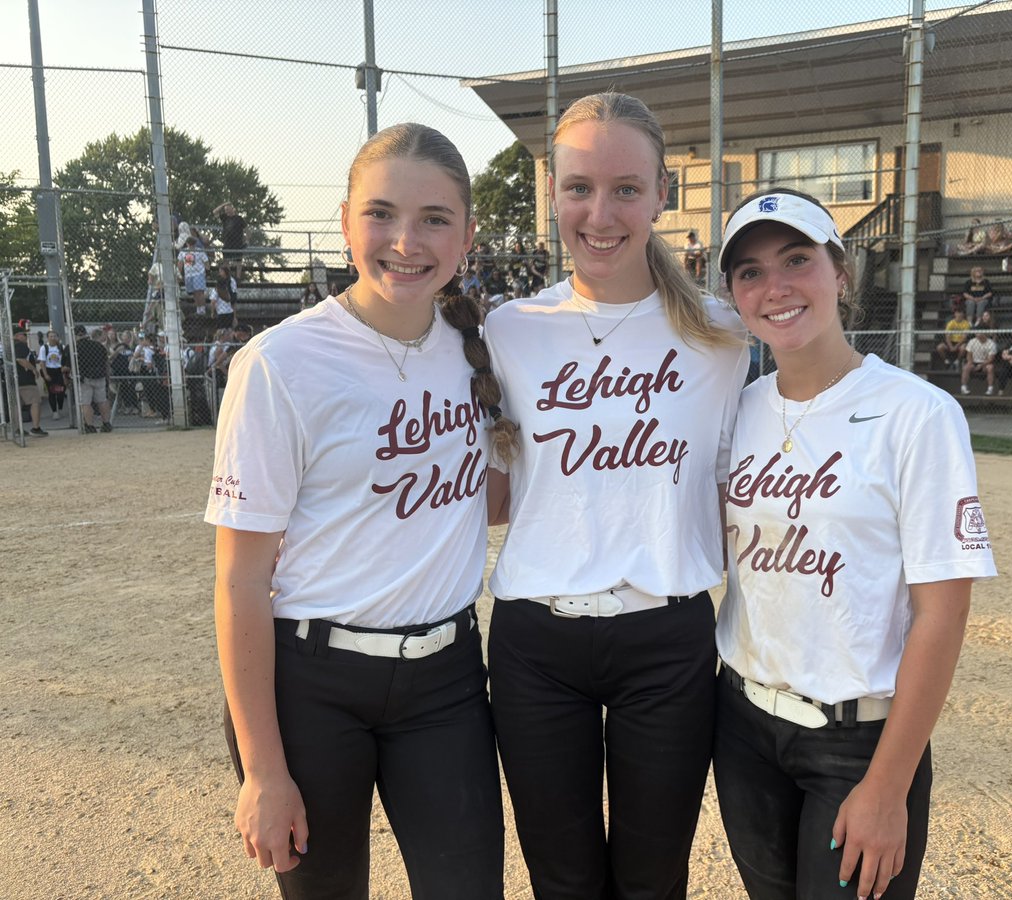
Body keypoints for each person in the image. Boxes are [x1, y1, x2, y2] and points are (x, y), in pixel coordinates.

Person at [206, 123, 516, 899]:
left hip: (446, 677)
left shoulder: (481, 349)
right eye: (381, 214)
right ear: (345, 222)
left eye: (435, 219)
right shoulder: (280, 363)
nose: (405, 241)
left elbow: (495, 501)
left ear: (468, 235)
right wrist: (264, 772)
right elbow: (242, 582)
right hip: (313, 685)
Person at [483, 92, 749, 900]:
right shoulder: (506, 329)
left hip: (665, 642)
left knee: (653, 877)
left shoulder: (723, 335)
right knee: (559, 878)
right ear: (552, 193)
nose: (600, 213)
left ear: (663, 193)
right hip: (536, 642)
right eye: (578, 188)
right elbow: (491, 490)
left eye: (626, 189)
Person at [714, 187, 996, 900]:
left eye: (797, 260)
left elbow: (943, 613)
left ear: (841, 273)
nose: (775, 286)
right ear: (734, 295)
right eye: (749, 271)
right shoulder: (738, 409)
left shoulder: (918, 414)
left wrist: (888, 786)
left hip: (858, 740)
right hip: (744, 725)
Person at [67, 325, 113, 433]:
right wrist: (107, 376)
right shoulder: (98, 345)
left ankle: (90, 426)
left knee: (85, 403)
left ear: (76, 335)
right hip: (100, 376)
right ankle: (106, 423)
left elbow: (69, 366)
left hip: (84, 378)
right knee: (102, 400)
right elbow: (106, 363)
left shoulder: (75, 347)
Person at [12, 326, 47, 436]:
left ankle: (17, 429)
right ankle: (36, 428)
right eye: (24, 335)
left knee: (17, 405)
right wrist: (33, 369)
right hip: (25, 380)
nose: (26, 337)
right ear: (17, 335)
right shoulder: (20, 345)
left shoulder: (10, 346)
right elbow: (20, 359)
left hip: (13, 380)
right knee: (35, 402)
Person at [37, 330, 68, 421]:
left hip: (59, 371)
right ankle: (54, 411)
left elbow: (65, 360)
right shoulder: (44, 348)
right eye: (51, 336)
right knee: (52, 392)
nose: (53, 338)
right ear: (48, 338)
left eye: (55, 336)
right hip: (49, 370)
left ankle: (60, 407)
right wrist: (45, 374)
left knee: (61, 391)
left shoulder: (61, 347)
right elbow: (42, 362)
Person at [214, 202, 248, 281]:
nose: (227, 211)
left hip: (238, 243)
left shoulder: (239, 218)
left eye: (228, 209)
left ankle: (238, 278)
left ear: (233, 209)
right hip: (227, 242)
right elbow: (215, 212)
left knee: (238, 261)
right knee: (226, 260)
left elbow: (247, 230)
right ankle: (227, 276)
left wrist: (247, 240)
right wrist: (223, 204)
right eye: (226, 210)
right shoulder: (225, 218)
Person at [961, 329, 999, 395]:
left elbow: (991, 358)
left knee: (990, 368)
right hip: (974, 362)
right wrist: (970, 363)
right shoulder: (972, 341)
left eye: (979, 333)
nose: (977, 334)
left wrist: (981, 365)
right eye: (976, 333)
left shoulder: (991, 343)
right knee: (966, 367)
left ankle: (990, 389)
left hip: (986, 363)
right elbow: (969, 355)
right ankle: (964, 387)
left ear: (984, 333)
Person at [934, 304, 971, 369]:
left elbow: (964, 337)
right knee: (939, 347)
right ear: (955, 314)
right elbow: (947, 336)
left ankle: (957, 361)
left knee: (963, 348)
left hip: (960, 342)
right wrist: (951, 346)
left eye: (960, 313)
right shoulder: (950, 323)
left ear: (963, 314)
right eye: (957, 313)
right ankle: (946, 360)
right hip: (950, 342)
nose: (959, 315)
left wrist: (956, 346)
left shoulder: (966, 324)